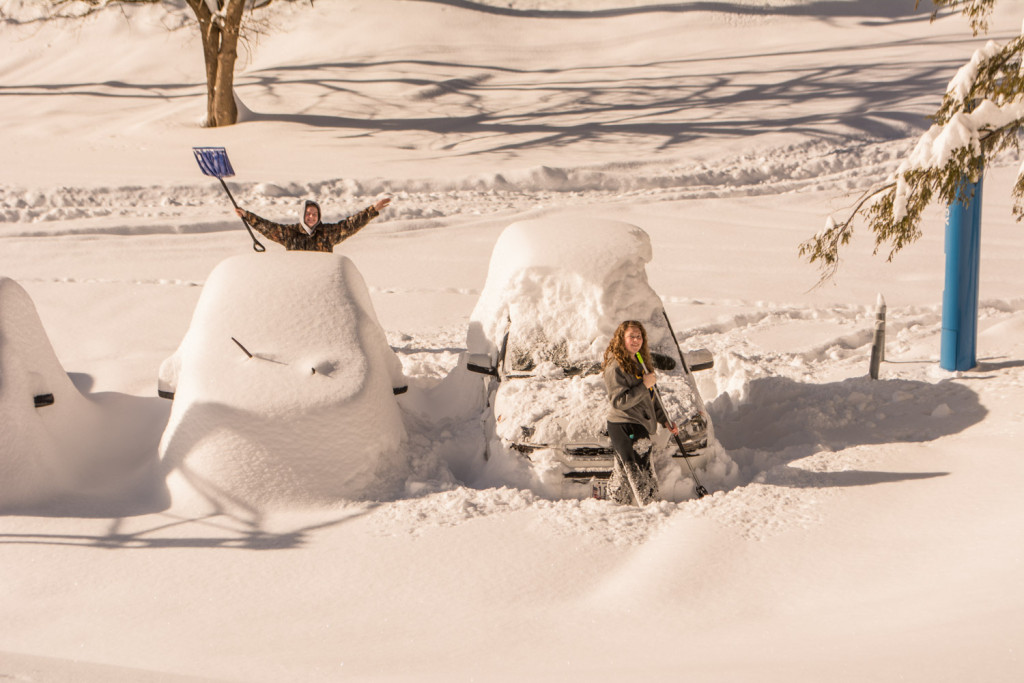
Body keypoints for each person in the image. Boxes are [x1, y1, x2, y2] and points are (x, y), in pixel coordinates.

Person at [602, 320, 678, 505]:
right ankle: (650, 507)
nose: (636, 340)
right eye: (631, 336)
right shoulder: (615, 366)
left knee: (626, 471)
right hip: (624, 424)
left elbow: (652, 397)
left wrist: (664, 420)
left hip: (638, 424)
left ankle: (617, 506)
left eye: (639, 336)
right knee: (639, 471)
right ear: (621, 339)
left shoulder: (640, 362)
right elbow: (619, 402)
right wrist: (644, 385)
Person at [234, 197, 391, 253]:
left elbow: (350, 225)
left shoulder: (327, 233)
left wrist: (372, 210)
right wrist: (248, 216)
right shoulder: (290, 233)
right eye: (308, 213)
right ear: (302, 215)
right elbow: (268, 228)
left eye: (315, 214)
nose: (311, 217)